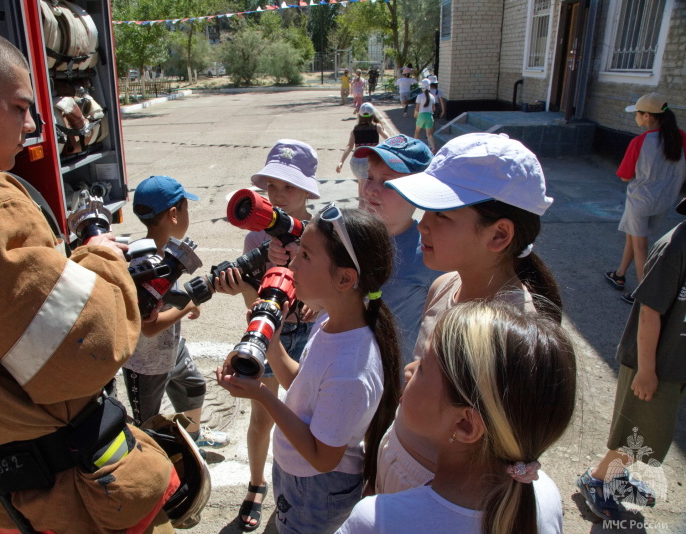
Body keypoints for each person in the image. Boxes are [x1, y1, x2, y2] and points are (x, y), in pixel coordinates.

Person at [0, 20, 177, 533]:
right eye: (19, 107)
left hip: (0, 495)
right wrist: (99, 257)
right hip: (76, 498)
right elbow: (89, 348)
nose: (30, 126)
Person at [376, 132, 563, 495]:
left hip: (436, 493)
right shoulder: (443, 286)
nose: (423, 224)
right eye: (425, 209)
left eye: (442, 214)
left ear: (499, 235)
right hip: (398, 461)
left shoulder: (512, 336)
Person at [217, 208, 402, 534]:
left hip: (319, 488)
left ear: (345, 278)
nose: (292, 264)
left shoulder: (352, 369)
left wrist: (262, 394)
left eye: (305, 255)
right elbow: (301, 383)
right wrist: (270, 344)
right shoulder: (329, 321)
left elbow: (322, 458)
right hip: (296, 471)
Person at [338, 300, 577, 534]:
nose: (408, 369)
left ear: (465, 425)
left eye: (422, 368)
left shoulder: (379, 521)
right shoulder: (544, 492)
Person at [213, 139, 320, 531]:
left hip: (309, 335)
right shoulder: (255, 239)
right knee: (262, 416)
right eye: (271, 186)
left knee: (309, 416)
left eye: (288, 186)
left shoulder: (323, 231)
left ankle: (306, 482)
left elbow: (337, 290)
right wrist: (243, 282)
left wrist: (316, 302)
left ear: (309, 189)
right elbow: (252, 297)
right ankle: (257, 484)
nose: (278, 195)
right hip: (268, 336)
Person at [577, 196, 686, 521]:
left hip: (675, 362)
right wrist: (647, 370)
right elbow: (650, 313)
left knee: (653, 433)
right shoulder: (675, 246)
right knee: (637, 432)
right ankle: (598, 479)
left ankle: (615, 476)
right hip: (654, 363)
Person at [123, 175, 228, 448]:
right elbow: (149, 326)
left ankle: (191, 439)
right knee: (147, 424)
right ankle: (156, 464)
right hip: (144, 365)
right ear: (173, 214)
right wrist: (189, 305)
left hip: (173, 349)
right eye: (186, 208)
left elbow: (168, 299)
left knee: (194, 387)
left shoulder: (167, 253)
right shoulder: (145, 263)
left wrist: (184, 304)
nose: (187, 215)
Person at [346, 135, 442, 368]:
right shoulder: (348, 237)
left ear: (419, 191)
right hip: (341, 368)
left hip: (392, 383)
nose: (371, 189)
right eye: (369, 177)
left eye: (388, 183)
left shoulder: (431, 254)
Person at [604, 92, 686, 304]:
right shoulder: (680, 137)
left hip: (641, 199)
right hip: (665, 199)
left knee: (640, 244)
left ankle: (643, 294)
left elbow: (624, 176)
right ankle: (620, 274)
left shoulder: (640, 142)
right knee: (633, 236)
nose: (636, 118)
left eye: (638, 114)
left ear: (648, 116)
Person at [335, 102, 389, 203]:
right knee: (365, 195)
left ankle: (362, 212)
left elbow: (349, 146)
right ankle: (364, 214)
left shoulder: (355, 129)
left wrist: (341, 162)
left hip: (355, 162)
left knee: (361, 188)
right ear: (373, 114)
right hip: (368, 161)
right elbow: (389, 139)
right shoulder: (377, 127)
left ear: (359, 115)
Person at [414, 78, 437, 153]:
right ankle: (433, 148)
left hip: (421, 115)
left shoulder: (420, 96)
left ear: (422, 87)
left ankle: (415, 146)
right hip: (429, 116)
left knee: (417, 132)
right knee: (429, 135)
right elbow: (434, 109)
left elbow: (417, 108)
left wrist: (415, 114)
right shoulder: (432, 97)